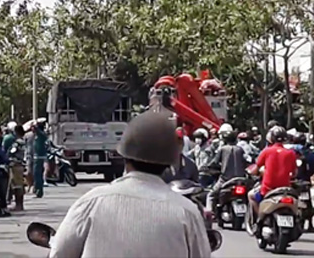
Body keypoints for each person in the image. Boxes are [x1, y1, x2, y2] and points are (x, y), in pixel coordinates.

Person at [49, 111, 212, 258]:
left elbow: (58, 253)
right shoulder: (187, 212)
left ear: (124, 157)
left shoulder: (91, 202)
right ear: (170, 163)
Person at [248, 126, 297, 217]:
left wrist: (252, 173)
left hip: (267, 189)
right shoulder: (291, 153)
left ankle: (259, 219)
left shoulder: (267, 151)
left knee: (251, 195)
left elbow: (256, 168)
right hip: (285, 189)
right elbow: (294, 173)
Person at [207, 128, 248, 209]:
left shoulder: (223, 149)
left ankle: (209, 213)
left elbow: (214, 162)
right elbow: (246, 161)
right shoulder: (240, 149)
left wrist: (209, 167)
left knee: (211, 195)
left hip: (225, 179)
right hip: (240, 180)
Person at [8, 124, 27, 211]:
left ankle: (19, 205)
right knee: (19, 184)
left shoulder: (17, 143)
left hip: (16, 164)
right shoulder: (23, 141)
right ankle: (19, 204)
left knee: (17, 185)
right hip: (21, 165)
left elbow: (12, 152)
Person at [33, 119, 48, 198]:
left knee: (37, 174)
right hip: (37, 157)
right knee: (36, 175)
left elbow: (36, 129)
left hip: (39, 157)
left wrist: (34, 124)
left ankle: (39, 191)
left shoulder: (41, 134)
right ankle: (37, 190)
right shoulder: (38, 135)